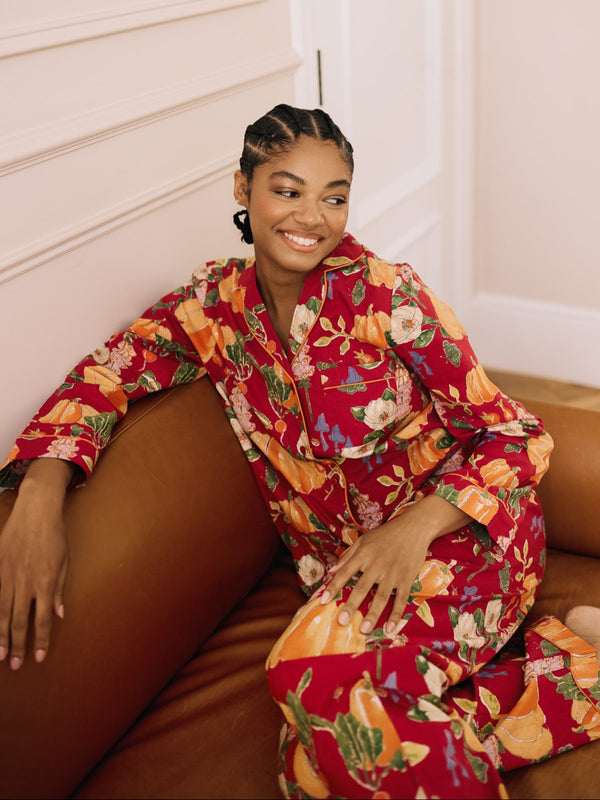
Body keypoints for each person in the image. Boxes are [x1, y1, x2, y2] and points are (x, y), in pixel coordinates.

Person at [0, 103, 599, 799]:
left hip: (466, 544)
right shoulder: (211, 310)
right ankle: (573, 669)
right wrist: (41, 495)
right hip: (349, 577)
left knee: (300, 674)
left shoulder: (390, 298)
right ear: (241, 189)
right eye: (287, 190)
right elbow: (107, 373)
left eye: (333, 197)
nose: (311, 217)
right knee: (312, 771)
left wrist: (413, 528)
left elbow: (518, 434)